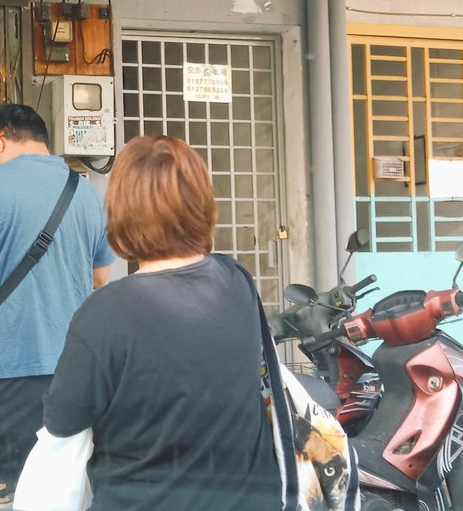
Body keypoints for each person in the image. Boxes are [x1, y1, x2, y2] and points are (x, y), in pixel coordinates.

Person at [41, 135, 282, 511]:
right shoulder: (236, 279)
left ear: (120, 210)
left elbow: (63, 419)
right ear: (202, 203)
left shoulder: (104, 312)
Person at [0, 103, 114, 511]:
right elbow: (101, 277)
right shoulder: (84, 190)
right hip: (72, 365)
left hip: (8, 362)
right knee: (53, 482)